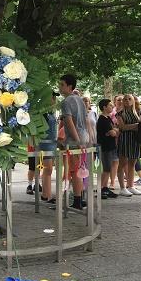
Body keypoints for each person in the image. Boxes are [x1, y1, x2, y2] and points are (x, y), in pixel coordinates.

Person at [58, 74, 89, 210]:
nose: (59, 87)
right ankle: (79, 197)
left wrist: (76, 140)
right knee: (80, 169)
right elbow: (85, 120)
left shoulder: (66, 102)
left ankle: (77, 200)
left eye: (62, 85)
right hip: (83, 136)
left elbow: (69, 122)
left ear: (70, 86)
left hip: (76, 139)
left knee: (74, 170)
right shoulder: (80, 100)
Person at [116, 94, 141, 196]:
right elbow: (122, 127)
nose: (127, 101)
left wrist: (136, 126)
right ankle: (122, 188)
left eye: (129, 99)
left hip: (135, 140)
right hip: (125, 139)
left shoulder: (137, 112)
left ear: (133, 101)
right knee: (122, 163)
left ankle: (131, 186)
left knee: (132, 163)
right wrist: (136, 126)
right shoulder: (120, 114)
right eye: (125, 99)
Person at [97, 99, 119, 199]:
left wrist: (114, 131)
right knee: (106, 169)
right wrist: (113, 131)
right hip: (105, 147)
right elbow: (113, 132)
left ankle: (105, 188)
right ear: (104, 107)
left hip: (111, 146)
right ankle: (101, 189)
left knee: (109, 168)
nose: (112, 107)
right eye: (110, 105)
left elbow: (115, 130)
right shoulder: (102, 119)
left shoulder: (109, 118)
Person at [40, 91, 59, 203]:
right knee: (48, 170)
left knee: (48, 170)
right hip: (45, 144)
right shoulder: (43, 113)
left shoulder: (51, 112)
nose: (54, 100)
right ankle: (46, 195)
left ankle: (46, 194)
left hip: (51, 144)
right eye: (52, 97)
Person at [109, 95, 123, 189]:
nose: (121, 101)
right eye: (119, 100)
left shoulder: (127, 112)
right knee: (114, 161)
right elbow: (109, 126)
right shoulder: (111, 113)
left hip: (125, 139)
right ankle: (112, 182)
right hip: (114, 140)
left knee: (125, 162)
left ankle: (128, 184)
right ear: (115, 102)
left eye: (123, 99)